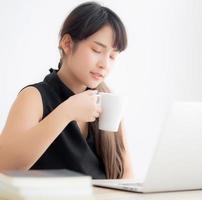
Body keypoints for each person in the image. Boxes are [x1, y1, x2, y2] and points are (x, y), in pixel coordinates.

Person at [0, 1, 133, 179]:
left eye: (112, 56)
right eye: (96, 50)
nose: (105, 64)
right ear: (67, 44)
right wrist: (66, 112)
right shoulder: (34, 97)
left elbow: (127, 178)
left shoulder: (108, 103)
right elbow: (5, 165)